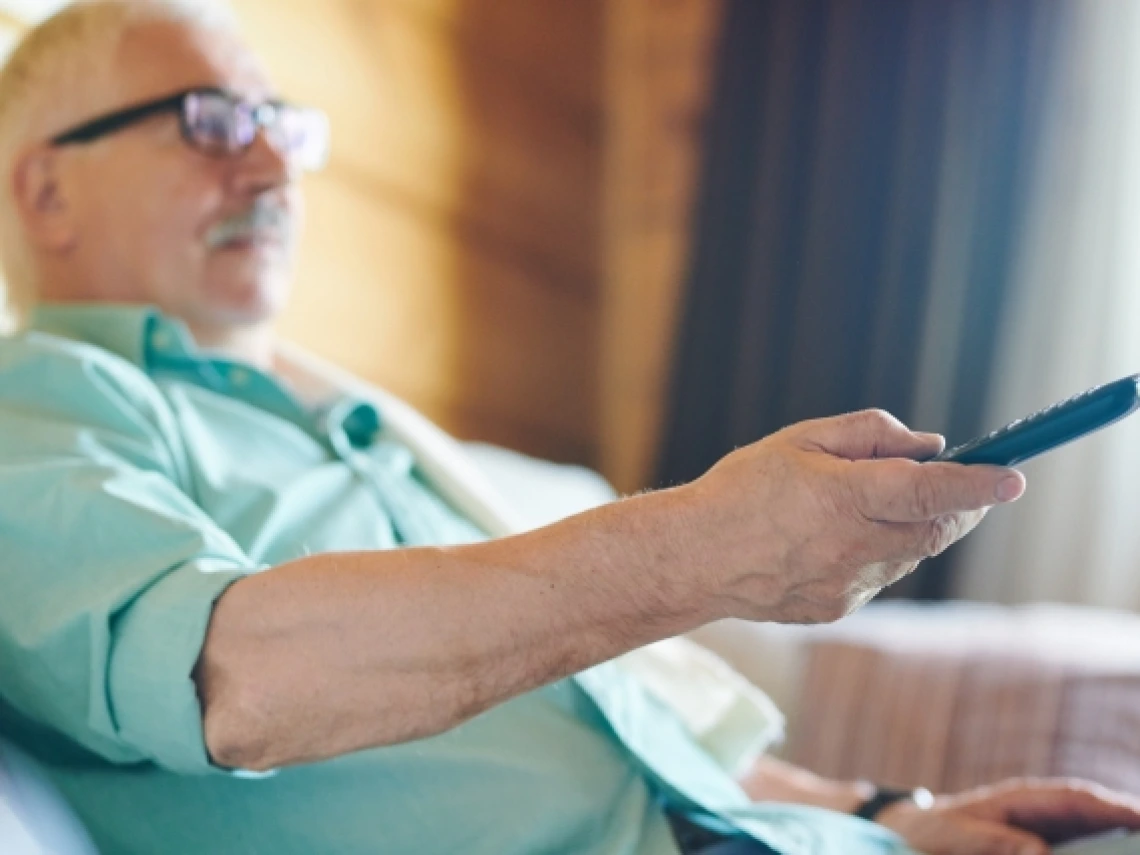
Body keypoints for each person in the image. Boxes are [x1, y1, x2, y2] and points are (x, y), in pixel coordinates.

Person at [0, 2, 1137, 854]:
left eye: (279, 125)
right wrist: (699, 550)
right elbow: (229, 682)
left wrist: (890, 810)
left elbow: (604, 735)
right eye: (210, 124)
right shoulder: (37, 408)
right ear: (45, 192)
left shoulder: (360, 428)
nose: (271, 165)